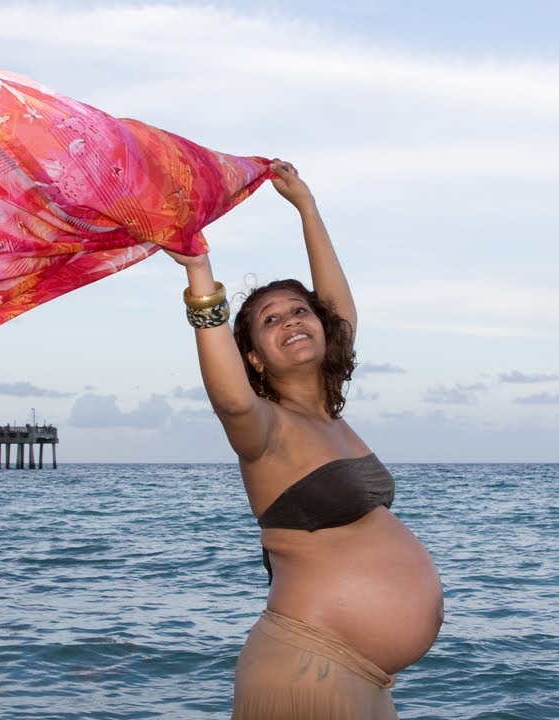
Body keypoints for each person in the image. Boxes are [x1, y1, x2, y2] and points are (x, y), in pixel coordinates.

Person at [166, 161, 444, 718]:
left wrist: (306, 208)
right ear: (253, 358)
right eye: (271, 321)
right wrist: (200, 276)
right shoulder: (264, 428)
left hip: (366, 679)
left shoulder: (330, 419)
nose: (292, 321)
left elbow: (339, 311)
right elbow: (231, 401)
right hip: (307, 666)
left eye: (300, 311)